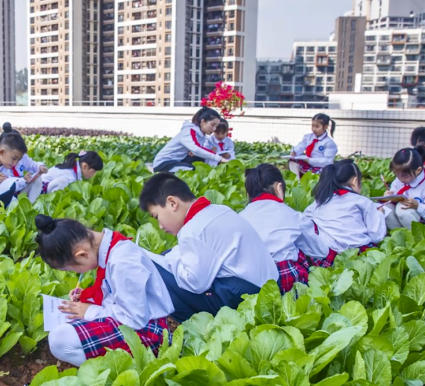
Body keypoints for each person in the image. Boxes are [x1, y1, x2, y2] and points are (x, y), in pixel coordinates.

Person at [34, 214, 174, 367]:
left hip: (148, 332)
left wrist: (89, 311)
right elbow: (118, 294)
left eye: (73, 268)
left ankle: (123, 369)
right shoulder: (110, 248)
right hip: (136, 321)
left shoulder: (123, 263)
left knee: (59, 340)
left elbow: (135, 318)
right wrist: (89, 299)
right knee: (67, 328)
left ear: (82, 254)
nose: (76, 273)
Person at [139, 173, 278, 322]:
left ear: (172, 203)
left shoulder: (193, 230)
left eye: (156, 216)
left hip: (245, 298)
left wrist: (170, 260)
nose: (160, 226)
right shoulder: (219, 210)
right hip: (269, 291)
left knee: (156, 269)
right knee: (168, 258)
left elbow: (195, 283)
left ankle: (193, 326)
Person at [239, 164, 329, 294]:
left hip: (250, 280)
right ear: (279, 187)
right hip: (284, 278)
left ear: (249, 193)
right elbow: (320, 251)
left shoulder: (240, 217)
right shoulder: (292, 215)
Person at [303, 160, 387, 268]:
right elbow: (377, 236)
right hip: (358, 256)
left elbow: (305, 218)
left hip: (328, 257)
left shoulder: (320, 201)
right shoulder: (362, 201)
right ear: (355, 181)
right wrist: (380, 214)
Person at [383, 146, 425, 230]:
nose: (399, 179)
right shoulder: (399, 180)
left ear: (418, 170)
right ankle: (399, 236)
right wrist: (388, 196)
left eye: (404, 175)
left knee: (402, 208)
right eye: (396, 174)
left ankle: (415, 240)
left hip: (423, 228)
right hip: (400, 223)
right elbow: (394, 193)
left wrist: (418, 206)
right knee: (385, 208)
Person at [151, 107, 228, 173]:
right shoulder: (189, 131)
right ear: (203, 122)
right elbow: (196, 149)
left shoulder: (201, 135)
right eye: (212, 125)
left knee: (200, 161)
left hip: (177, 161)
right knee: (192, 170)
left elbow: (196, 151)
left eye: (216, 126)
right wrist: (220, 159)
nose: (214, 129)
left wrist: (196, 152)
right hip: (162, 164)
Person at [288, 113, 338, 177]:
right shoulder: (308, 137)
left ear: (325, 127)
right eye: (312, 126)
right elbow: (301, 146)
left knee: (324, 172)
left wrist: (310, 160)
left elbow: (328, 161)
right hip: (307, 164)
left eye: (317, 126)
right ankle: (297, 182)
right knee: (292, 161)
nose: (314, 129)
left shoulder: (329, 143)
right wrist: (294, 151)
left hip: (320, 167)